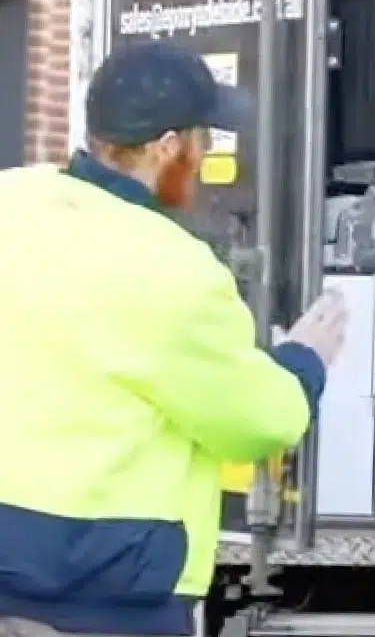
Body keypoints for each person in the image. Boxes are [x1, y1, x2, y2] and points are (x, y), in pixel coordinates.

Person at [0, 40, 349, 637]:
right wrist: (302, 362)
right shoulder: (175, 268)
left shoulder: (13, 198)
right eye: (202, 140)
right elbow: (253, 422)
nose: (205, 155)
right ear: (168, 148)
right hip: (101, 591)